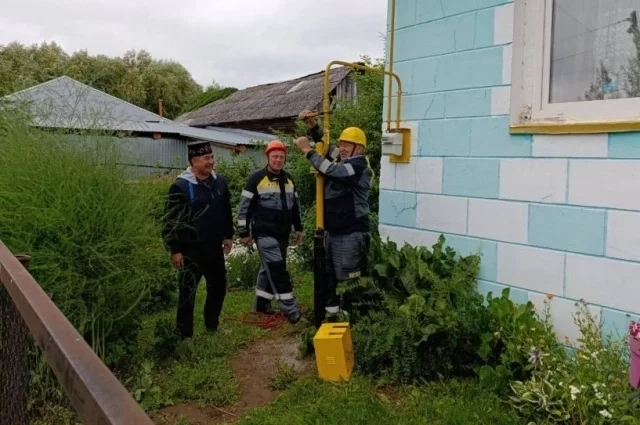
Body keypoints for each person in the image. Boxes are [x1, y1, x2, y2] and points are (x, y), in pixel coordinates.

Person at [294, 110, 373, 322]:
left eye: (348, 144)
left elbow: (331, 169)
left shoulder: (358, 166)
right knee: (331, 279)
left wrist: (307, 152)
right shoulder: (345, 158)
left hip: (351, 232)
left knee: (348, 280)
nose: (343, 148)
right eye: (343, 144)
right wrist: (312, 125)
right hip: (336, 232)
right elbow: (326, 148)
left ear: (360, 148)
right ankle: (331, 320)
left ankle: (351, 324)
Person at [162, 140, 234, 340]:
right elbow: (171, 221)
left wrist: (228, 235)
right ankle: (184, 335)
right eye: (206, 158)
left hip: (213, 247)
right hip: (190, 251)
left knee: (218, 287)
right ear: (194, 161)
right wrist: (174, 249)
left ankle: (212, 325)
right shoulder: (180, 187)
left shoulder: (220, 182)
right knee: (187, 294)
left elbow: (225, 211)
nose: (211, 162)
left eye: (212, 157)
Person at [236, 140, 303, 324]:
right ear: (267, 157)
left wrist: (298, 228)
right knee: (278, 270)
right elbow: (244, 208)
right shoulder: (256, 179)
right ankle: (291, 309)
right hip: (264, 234)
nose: (278, 160)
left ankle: (261, 306)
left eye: (281, 157)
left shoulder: (289, 179)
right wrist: (243, 232)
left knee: (268, 270)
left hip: (282, 235)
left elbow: (295, 207)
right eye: (275, 156)